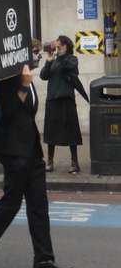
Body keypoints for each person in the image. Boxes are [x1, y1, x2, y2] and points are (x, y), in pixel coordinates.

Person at [0, 65, 72, 268]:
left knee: (39, 207)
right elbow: (9, 111)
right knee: (11, 204)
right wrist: (24, 84)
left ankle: (44, 259)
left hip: (31, 149)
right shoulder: (8, 78)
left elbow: (28, 113)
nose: (37, 56)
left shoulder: (25, 75)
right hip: (14, 150)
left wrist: (27, 82)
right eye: (33, 52)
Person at [41, 36, 85, 174]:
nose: (55, 42)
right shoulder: (53, 60)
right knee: (50, 132)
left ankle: (74, 163)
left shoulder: (71, 59)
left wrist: (59, 54)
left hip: (67, 100)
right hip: (52, 100)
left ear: (65, 44)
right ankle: (50, 162)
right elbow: (43, 76)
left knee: (71, 132)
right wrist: (49, 60)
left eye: (58, 41)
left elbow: (68, 66)